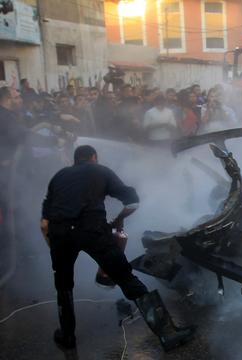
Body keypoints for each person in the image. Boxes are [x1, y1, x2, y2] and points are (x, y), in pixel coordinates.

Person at [40, 145, 196, 351]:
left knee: (63, 286)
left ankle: (67, 337)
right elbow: (132, 203)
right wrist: (118, 221)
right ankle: (168, 334)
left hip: (60, 233)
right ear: (94, 157)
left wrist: (56, 249)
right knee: (125, 278)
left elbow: (44, 224)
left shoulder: (59, 176)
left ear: (75, 159)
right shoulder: (100, 170)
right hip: (92, 230)